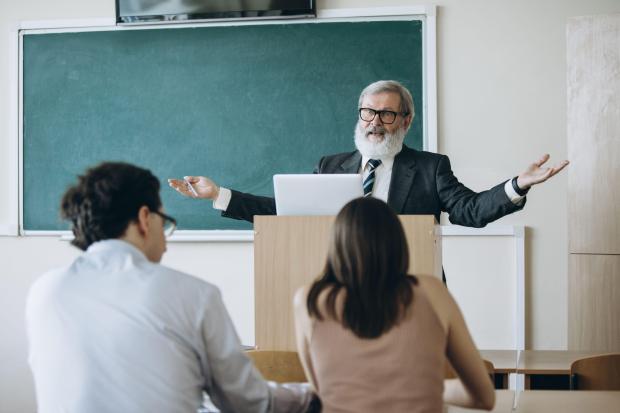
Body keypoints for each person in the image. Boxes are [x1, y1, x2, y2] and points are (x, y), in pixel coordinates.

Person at [26, 162, 313, 413]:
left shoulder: (44, 290)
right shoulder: (194, 295)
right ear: (143, 219)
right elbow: (250, 403)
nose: (165, 242)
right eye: (164, 222)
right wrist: (314, 395)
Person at [168, 79, 568, 228]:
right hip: (340, 288)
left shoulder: (430, 168)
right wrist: (219, 194)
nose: (375, 122)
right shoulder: (330, 166)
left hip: (411, 287)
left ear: (405, 121)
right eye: (368, 112)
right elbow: (285, 211)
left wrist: (517, 185)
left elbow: (471, 210)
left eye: (387, 114)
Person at [293, 197, 495, 412]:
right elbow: (484, 398)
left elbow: (322, 390)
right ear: (397, 243)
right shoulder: (432, 292)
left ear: (336, 245)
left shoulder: (309, 301)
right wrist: (427, 387)